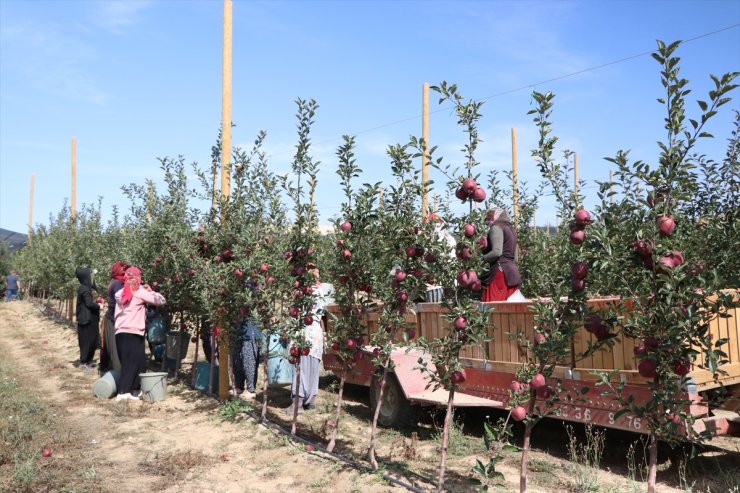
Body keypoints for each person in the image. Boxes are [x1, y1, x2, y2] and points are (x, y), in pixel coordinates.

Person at [114, 266, 166, 401]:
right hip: (133, 332)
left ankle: (135, 390)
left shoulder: (120, 293)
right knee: (132, 363)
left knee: (137, 362)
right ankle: (123, 392)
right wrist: (151, 291)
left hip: (120, 332)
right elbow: (161, 301)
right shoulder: (139, 291)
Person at [284, 269, 327, 413]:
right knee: (313, 366)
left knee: (301, 366)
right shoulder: (321, 290)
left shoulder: (306, 291)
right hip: (315, 332)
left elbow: (297, 311)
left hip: (305, 331)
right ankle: (311, 401)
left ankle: (298, 402)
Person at [481, 208, 521, 301]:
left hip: (500, 273)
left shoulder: (496, 228)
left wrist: (482, 259)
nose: (487, 220)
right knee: (510, 310)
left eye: (488, 217)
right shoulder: (511, 229)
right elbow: (515, 258)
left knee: (494, 309)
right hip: (512, 274)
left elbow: (497, 252)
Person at [99, 261, 128, 375]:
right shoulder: (118, 283)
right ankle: (118, 374)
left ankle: (106, 369)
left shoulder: (115, 281)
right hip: (112, 319)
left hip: (111, 318)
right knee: (114, 348)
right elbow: (122, 299)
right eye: (123, 270)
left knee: (109, 346)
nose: (125, 272)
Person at [75, 268, 102, 369]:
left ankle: (89, 360)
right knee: (86, 340)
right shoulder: (84, 289)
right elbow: (89, 304)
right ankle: (83, 362)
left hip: (92, 318)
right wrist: (99, 306)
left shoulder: (88, 288)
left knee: (93, 339)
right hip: (86, 319)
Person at [230, 316, 263, 398]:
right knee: (237, 363)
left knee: (249, 364)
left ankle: (251, 390)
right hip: (238, 335)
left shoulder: (251, 316)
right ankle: (239, 387)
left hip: (249, 336)